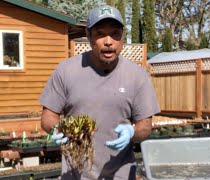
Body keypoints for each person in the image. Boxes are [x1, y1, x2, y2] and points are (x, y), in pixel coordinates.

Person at [39, 4, 160, 180]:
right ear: (88, 36)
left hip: (121, 175)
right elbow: (47, 117)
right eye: (100, 33)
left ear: (121, 38)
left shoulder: (137, 76)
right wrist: (57, 128)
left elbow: (145, 127)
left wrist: (133, 132)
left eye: (115, 33)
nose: (108, 41)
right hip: (75, 175)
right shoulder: (66, 71)